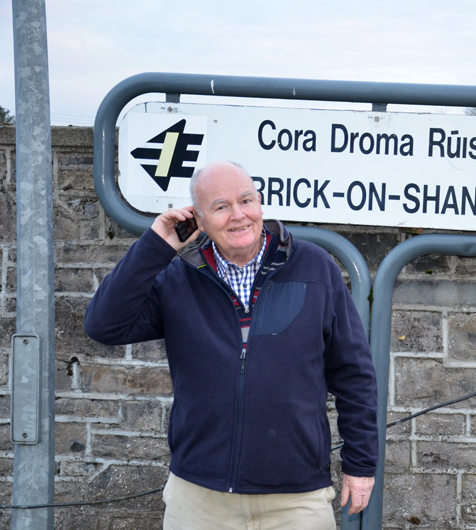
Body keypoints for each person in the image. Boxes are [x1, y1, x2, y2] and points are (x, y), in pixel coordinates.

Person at [84, 161, 378, 530]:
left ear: (261, 204)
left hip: (296, 499)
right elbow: (103, 325)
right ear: (199, 221)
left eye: (246, 200)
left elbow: (354, 374)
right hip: (199, 497)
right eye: (221, 207)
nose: (238, 215)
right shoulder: (178, 278)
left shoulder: (315, 268)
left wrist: (361, 465)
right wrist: (156, 244)